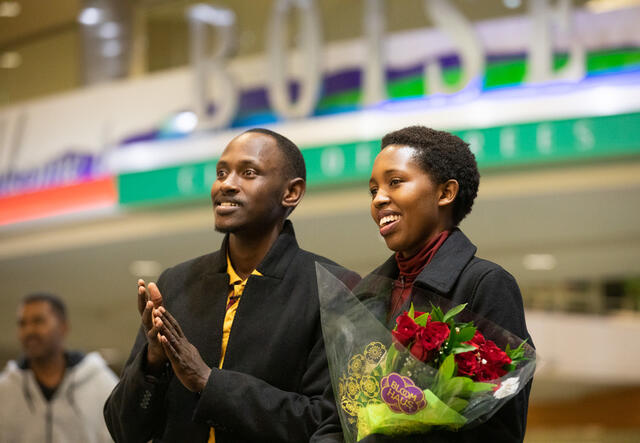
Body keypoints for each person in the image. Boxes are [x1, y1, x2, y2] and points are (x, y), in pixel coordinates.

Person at [104, 128, 356, 443]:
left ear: (291, 192)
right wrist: (153, 362)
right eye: (221, 173)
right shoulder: (177, 283)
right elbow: (123, 430)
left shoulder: (332, 287)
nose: (227, 184)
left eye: (248, 173)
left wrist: (209, 383)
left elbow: (329, 424)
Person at [360, 125, 533, 442]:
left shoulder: (485, 284)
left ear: (445, 192)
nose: (379, 199)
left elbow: (501, 427)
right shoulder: (364, 292)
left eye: (395, 183)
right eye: (373, 190)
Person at [0, 292, 117, 443]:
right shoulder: (5, 389)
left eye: (38, 321)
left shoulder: (100, 383)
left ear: (63, 327)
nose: (29, 331)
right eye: (22, 323)